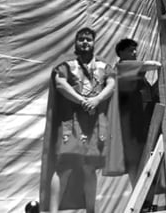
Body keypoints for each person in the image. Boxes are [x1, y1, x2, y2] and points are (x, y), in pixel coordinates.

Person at [40, 28, 124, 213]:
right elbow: (60, 83)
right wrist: (82, 100)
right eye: (81, 40)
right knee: (64, 166)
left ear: (94, 43)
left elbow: (111, 83)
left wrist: (97, 99)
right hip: (71, 122)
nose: (85, 43)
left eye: (88, 40)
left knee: (90, 167)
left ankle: (91, 211)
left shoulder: (103, 65)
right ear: (75, 43)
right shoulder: (66, 63)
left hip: (94, 123)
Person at [113, 38, 161, 180]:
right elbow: (154, 64)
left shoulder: (139, 77)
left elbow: (150, 93)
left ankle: (146, 198)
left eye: (135, 50)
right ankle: (138, 197)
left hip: (144, 119)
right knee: (135, 160)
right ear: (121, 53)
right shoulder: (122, 66)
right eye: (130, 50)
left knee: (146, 158)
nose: (134, 53)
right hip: (130, 122)